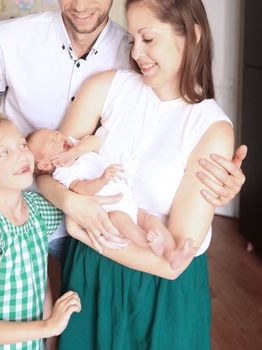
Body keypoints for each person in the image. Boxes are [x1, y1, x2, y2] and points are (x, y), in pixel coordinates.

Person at [0, 0, 247, 263]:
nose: (81, 5)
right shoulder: (9, 38)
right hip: (23, 215)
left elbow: (173, 122)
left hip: (102, 225)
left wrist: (215, 188)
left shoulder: (132, 53)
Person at [36, 0, 242, 349]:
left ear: (191, 36)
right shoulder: (105, 88)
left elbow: (172, 264)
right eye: (132, 39)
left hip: (160, 293)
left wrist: (81, 230)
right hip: (90, 278)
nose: (137, 53)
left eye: (148, 39)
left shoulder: (211, 129)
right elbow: (47, 172)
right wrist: (72, 203)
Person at [0, 112, 81, 350]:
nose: (20, 155)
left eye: (21, 144)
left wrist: (49, 342)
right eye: (4, 153)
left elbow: (43, 286)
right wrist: (49, 326)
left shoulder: (36, 209)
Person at [28, 128, 197, 269]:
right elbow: (81, 188)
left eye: (56, 133)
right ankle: (149, 243)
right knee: (121, 219)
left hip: (127, 201)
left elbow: (95, 141)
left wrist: (74, 152)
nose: (59, 136)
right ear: (45, 165)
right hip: (112, 210)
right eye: (52, 140)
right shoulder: (63, 172)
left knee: (149, 218)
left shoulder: (74, 146)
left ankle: (172, 252)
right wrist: (101, 180)